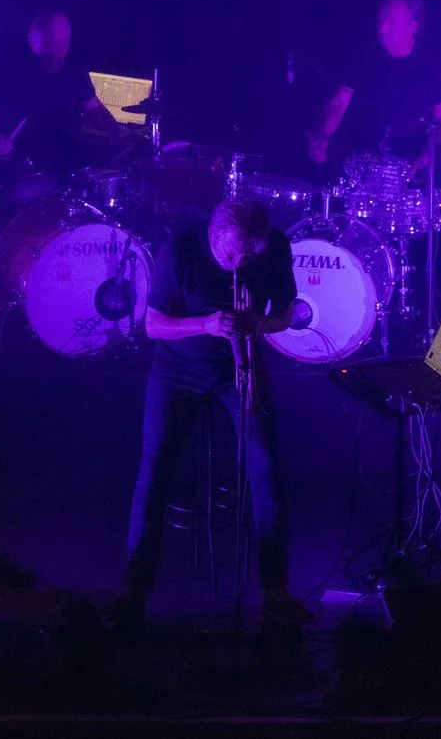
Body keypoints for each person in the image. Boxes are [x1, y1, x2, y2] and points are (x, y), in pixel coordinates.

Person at [116, 195, 311, 633]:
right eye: (233, 254)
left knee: (266, 472)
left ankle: (276, 593)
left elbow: (285, 311)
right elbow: (153, 325)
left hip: (239, 368)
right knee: (154, 472)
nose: (240, 262)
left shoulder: (271, 246)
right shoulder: (182, 246)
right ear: (215, 235)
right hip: (178, 370)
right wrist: (205, 325)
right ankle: (134, 590)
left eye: (250, 255)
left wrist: (258, 325)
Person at [304, 0, 441, 171]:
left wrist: (420, 162)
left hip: (410, 166)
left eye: (391, 22)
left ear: (413, 26)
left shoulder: (433, 63)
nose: (382, 29)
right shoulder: (364, 53)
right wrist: (322, 135)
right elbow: (339, 103)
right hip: (361, 162)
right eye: (380, 21)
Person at [0, 9, 117, 174]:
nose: (55, 55)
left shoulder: (75, 68)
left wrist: (117, 131)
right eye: (49, 47)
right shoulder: (8, 69)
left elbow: (93, 107)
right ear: (31, 40)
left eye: (60, 46)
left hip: (63, 158)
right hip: (16, 165)